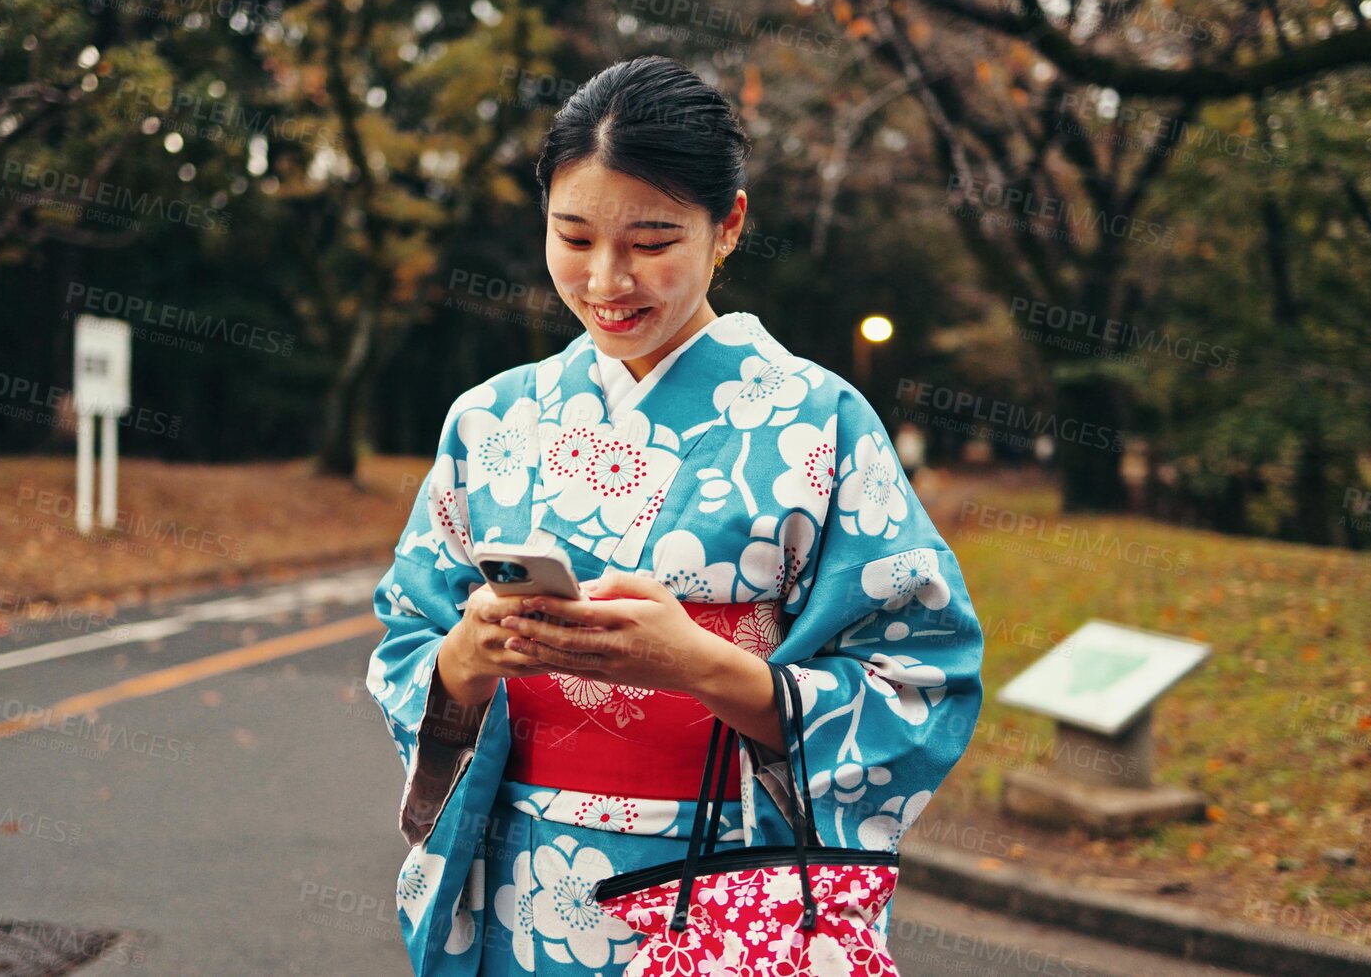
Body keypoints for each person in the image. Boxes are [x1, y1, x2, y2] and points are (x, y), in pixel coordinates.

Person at [367, 54, 985, 977]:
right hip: (515, 883)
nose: (607, 278)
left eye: (651, 241)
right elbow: (410, 635)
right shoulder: (489, 419)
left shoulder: (818, 421)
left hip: (721, 885)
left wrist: (704, 668)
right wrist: (463, 657)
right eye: (572, 236)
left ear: (726, 225)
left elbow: (920, 677)